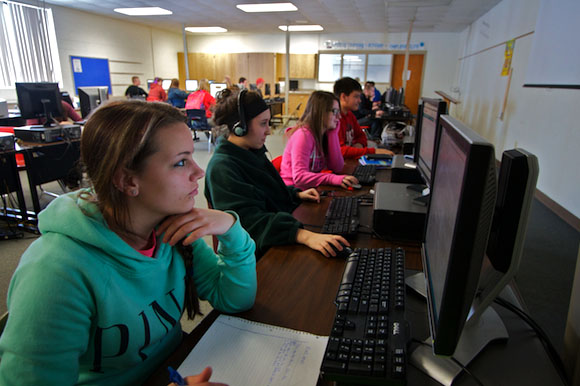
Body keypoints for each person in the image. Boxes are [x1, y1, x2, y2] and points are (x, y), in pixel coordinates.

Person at [0, 100, 257, 385]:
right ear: (126, 180)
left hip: (174, 369)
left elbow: (235, 299)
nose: (199, 172)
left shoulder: (170, 228)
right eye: (181, 161)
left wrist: (231, 230)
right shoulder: (55, 273)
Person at [205, 89, 350, 259]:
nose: (268, 130)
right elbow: (249, 223)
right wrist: (303, 235)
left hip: (274, 237)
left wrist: (296, 194)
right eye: (263, 123)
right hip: (255, 256)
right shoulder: (223, 168)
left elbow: (269, 191)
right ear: (239, 127)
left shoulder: (251, 152)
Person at [280, 91, 358, 190]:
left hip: (309, 190)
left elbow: (337, 167)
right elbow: (299, 178)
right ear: (320, 112)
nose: (339, 117)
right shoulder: (303, 136)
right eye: (335, 112)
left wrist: (333, 134)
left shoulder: (323, 134)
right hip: (294, 194)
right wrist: (331, 178)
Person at [333, 77, 393, 159]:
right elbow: (340, 151)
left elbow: (362, 136)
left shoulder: (350, 115)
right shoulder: (335, 119)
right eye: (356, 97)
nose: (360, 100)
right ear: (343, 97)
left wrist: (358, 145)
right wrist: (373, 151)